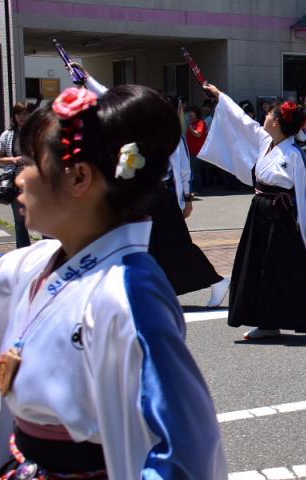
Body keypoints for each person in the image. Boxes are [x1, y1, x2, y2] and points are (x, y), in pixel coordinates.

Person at [0, 84, 232, 480]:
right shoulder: (44, 261)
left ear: (78, 177)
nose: (18, 179)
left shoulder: (127, 292)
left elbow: (182, 446)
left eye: (29, 162)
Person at [199, 84, 306, 348]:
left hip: (283, 216)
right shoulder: (267, 144)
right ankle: (267, 322)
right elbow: (243, 123)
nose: (263, 118)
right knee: (257, 268)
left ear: (277, 122)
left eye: (269, 115)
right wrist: (220, 97)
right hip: (259, 213)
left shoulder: (294, 154)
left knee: (296, 269)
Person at [80, 71, 230, 307]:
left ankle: (216, 280)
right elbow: (112, 100)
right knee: (147, 247)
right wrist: (87, 80)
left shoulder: (168, 134)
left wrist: (187, 197)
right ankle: (145, 291)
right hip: (144, 195)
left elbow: (182, 168)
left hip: (161, 196)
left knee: (176, 246)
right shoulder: (138, 131)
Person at [0, 101, 34, 248]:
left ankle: (48, 252)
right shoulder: (7, 135)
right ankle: (23, 253)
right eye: (19, 114)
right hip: (15, 182)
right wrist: (12, 159)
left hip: (36, 181)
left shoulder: (38, 132)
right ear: (14, 116)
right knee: (20, 221)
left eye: (25, 113)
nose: (22, 117)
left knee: (44, 217)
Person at [186, 105, 209, 194]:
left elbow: (198, 134)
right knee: (192, 171)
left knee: (195, 172)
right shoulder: (191, 124)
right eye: (189, 113)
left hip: (197, 152)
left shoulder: (201, 123)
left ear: (196, 113)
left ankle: (197, 190)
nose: (189, 115)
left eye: (191, 112)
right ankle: (194, 189)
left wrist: (190, 127)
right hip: (190, 152)